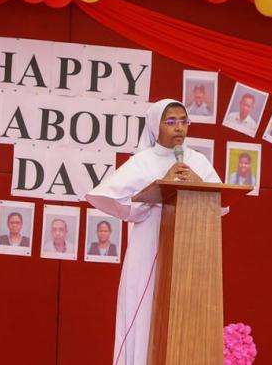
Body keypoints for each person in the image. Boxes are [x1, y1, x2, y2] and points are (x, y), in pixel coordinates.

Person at [85, 98, 221, 365]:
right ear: (155, 126)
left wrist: (198, 183)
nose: (179, 128)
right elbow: (109, 200)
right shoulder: (143, 162)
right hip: (148, 247)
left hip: (189, 251)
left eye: (184, 121)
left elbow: (221, 204)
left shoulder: (198, 161)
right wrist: (155, 192)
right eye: (171, 122)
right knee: (144, 311)